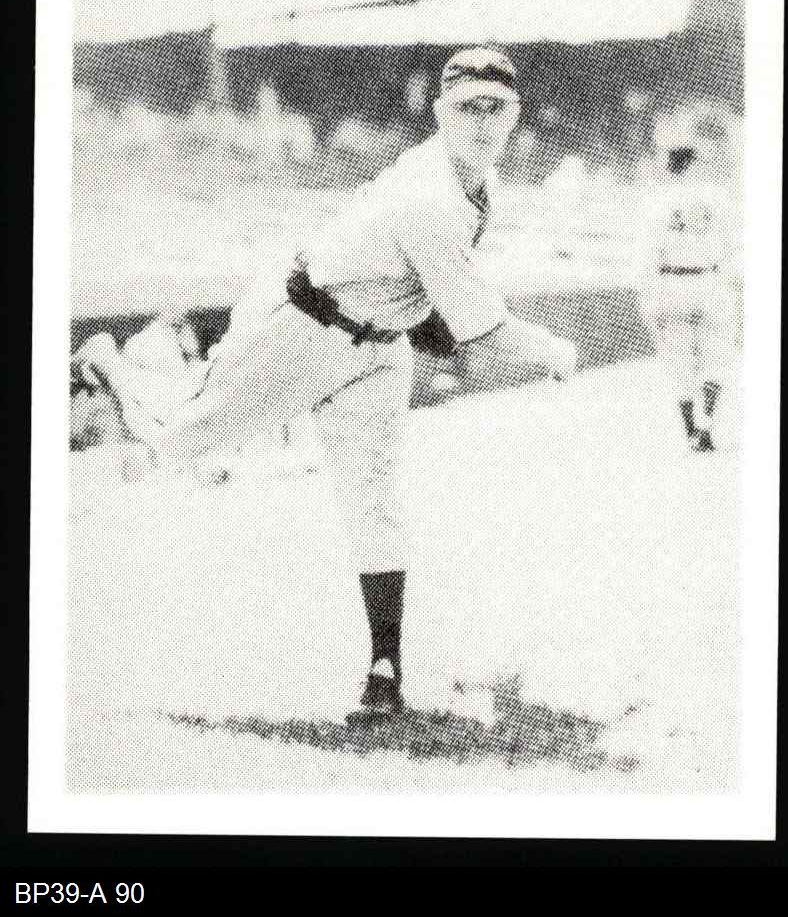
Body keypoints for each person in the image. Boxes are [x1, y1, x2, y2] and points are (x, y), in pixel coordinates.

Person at [71, 47, 578, 722]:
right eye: (467, 108)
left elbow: (433, 302)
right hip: (301, 325)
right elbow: (483, 333)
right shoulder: (428, 194)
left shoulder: (479, 184)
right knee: (177, 441)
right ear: (440, 113)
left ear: (514, 115)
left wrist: (424, 320)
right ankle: (112, 365)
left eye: (497, 108)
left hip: (379, 345)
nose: (482, 122)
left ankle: (384, 672)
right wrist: (556, 351)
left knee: (375, 501)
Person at [635, 101, 742, 452]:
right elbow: (734, 247)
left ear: (670, 166)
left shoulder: (657, 201)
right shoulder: (718, 198)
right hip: (710, 281)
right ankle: (706, 423)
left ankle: (690, 429)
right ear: (695, 163)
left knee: (678, 359)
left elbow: (647, 256)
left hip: (671, 283)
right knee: (716, 355)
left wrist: (648, 299)